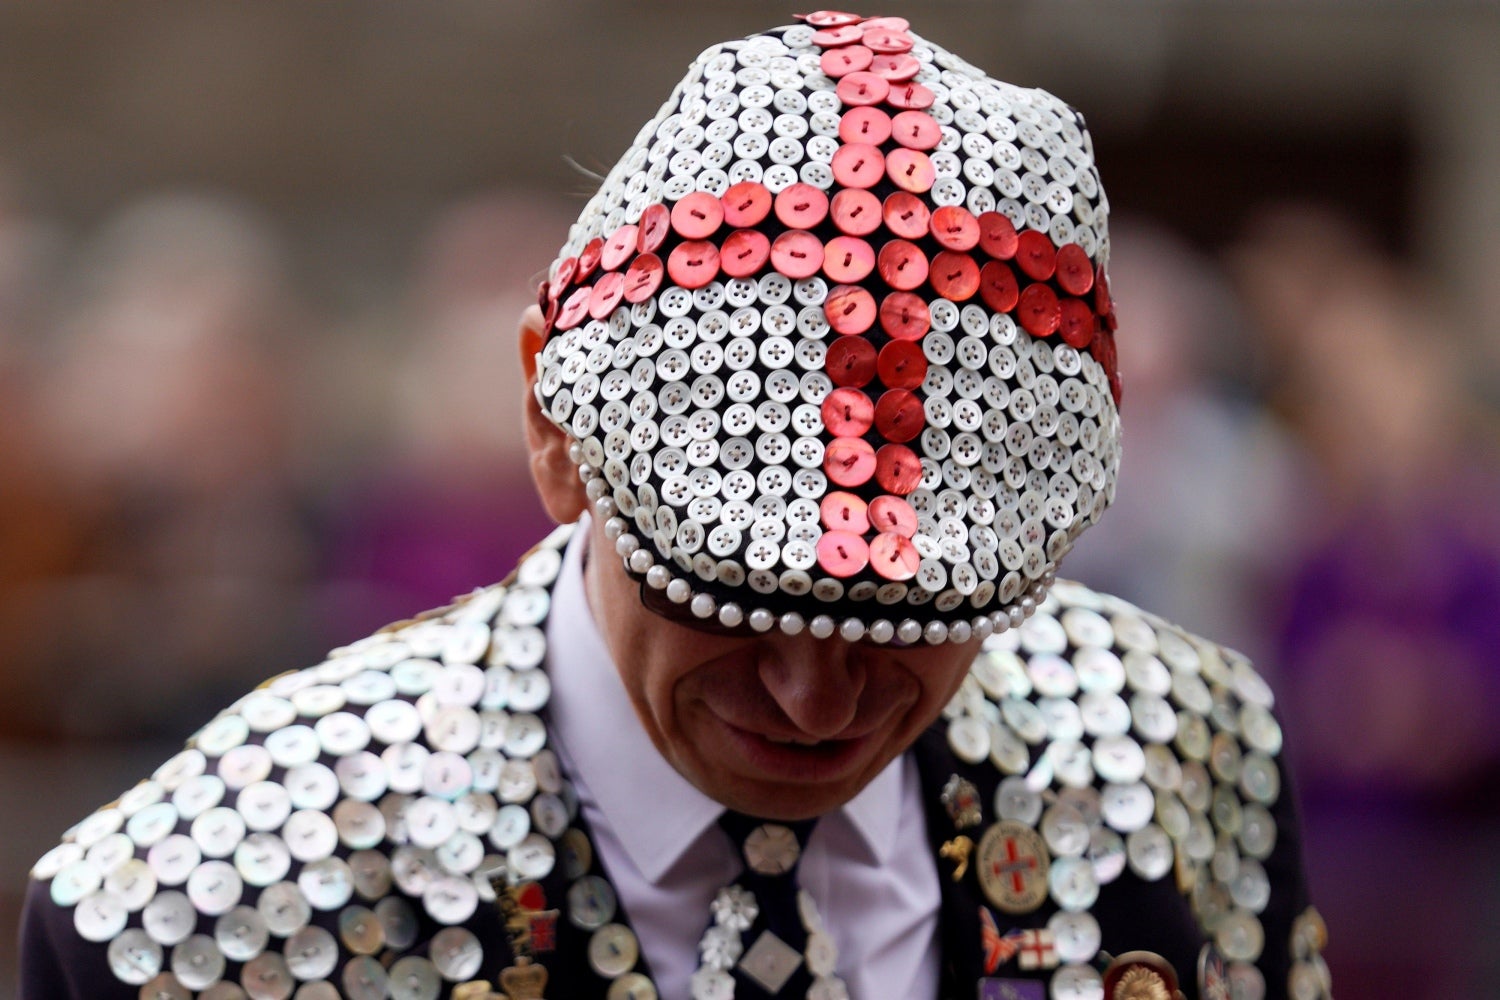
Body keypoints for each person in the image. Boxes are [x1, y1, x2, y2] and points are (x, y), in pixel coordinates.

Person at [18, 12, 1330, 1000]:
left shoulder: (1189, 766)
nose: (816, 699)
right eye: (732, 594)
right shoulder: (197, 907)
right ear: (552, 429)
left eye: (916, 617)